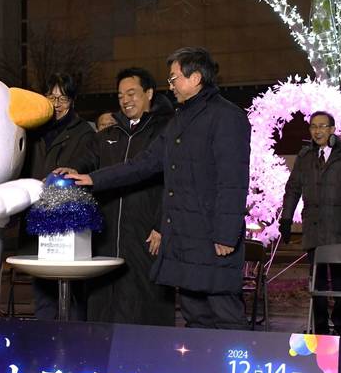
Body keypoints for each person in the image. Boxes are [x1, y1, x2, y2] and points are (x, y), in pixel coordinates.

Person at [67, 47, 251, 330]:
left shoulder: (226, 116)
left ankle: (237, 361)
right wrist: (93, 179)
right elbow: (144, 163)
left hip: (213, 238)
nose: (171, 84)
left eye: (174, 77)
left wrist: (226, 235)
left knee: (225, 315)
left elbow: (233, 181)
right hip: (184, 238)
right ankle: (201, 361)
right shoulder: (179, 120)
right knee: (195, 315)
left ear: (195, 78)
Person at [57, 67, 175, 326]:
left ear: (149, 93)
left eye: (131, 93)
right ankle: (101, 348)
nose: (125, 100)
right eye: (121, 95)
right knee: (103, 302)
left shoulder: (165, 132)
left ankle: (149, 350)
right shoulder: (110, 134)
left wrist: (161, 224)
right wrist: (73, 169)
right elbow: (87, 160)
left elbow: (173, 183)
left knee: (145, 302)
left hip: (146, 235)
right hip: (107, 234)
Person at [279, 111, 341, 336]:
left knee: (340, 281)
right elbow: (293, 189)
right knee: (317, 281)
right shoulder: (305, 155)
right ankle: (319, 326)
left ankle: (339, 324)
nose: (317, 131)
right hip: (314, 227)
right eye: (313, 126)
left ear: (332, 129)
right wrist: (286, 219)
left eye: (322, 126)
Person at [23, 72, 95, 321]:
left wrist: (72, 171)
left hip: (68, 221)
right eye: (51, 97)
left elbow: (89, 161)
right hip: (37, 217)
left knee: (73, 295)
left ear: (72, 101)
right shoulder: (32, 131)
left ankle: (74, 341)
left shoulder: (83, 132)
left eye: (62, 98)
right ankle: (45, 339)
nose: (56, 103)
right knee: (43, 293)